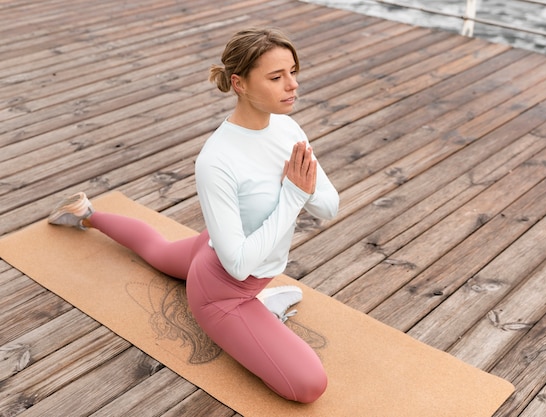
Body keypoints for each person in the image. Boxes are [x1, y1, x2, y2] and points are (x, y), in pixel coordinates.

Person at [48, 27, 339, 403]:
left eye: (293, 72)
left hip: (216, 246)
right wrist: (294, 194)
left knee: (156, 249)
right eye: (276, 77)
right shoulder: (217, 159)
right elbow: (237, 266)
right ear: (240, 83)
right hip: (223, 291)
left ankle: (85, 212)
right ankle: (255, 313)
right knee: (308, 385)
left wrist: (301, 191)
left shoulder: (286, 127)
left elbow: (329, 207)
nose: (292, 85)